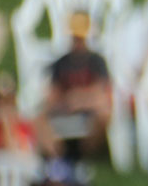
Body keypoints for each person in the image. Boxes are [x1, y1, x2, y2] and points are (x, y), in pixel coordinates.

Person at [39, 9, 115, 159]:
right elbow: (52, 95)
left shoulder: (96, 61)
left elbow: (102, 93)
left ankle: (86, 155)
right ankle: (56, 156)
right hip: (65, 111)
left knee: (104, 113)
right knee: (38, 119)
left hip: (89, 113)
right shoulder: (61, 63)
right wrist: (65, 102)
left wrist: (79, 100)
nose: (78, 41)